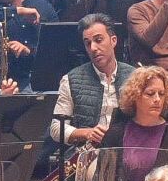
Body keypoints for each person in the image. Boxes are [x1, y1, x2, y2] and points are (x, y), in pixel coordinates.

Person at [97, 66, 168, 181]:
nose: (157, 99)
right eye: (150, 94)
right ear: (135, 96)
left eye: (161, 94)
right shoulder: (115, 134)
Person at [49, 14, 131, 148]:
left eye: (98, 40)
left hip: (126, 151)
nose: (93, 48)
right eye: (88, 43)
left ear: (113, 41)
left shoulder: (134, 77)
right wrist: (87, 133)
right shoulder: (71, 79)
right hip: (87, 152)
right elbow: (56, 128)